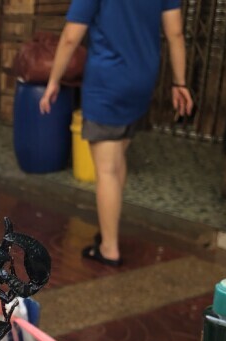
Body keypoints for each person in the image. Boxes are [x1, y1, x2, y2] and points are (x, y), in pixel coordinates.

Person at [40, 0, 194, 267]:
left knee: (107, 169)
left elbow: (70, 37)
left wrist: (54, 79)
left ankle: (109, 247)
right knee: (118, 154)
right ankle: (108, 229)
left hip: (107, 83)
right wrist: (179, 82)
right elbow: (175, 33)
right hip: (142, 81)